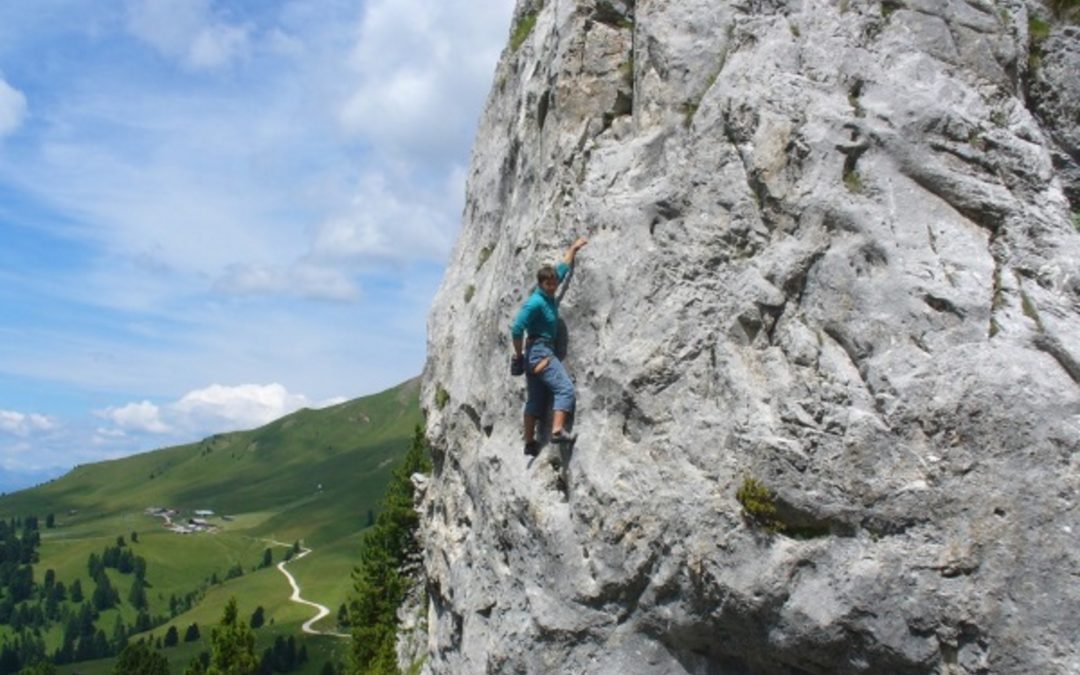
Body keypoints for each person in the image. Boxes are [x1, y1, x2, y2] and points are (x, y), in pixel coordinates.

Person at [510, 237, 588, 457]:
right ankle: (557, 430)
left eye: (554, 282)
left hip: (534, 354)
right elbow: (517, 329)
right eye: (549, 284)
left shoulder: (550, 292)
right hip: (539, 352)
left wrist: (574, 248)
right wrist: (518, 355)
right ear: (540, 284)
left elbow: (563, 267)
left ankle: (529, 442)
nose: (553, 286)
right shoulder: (535, 302)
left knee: (535, 400)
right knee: (565, 389)